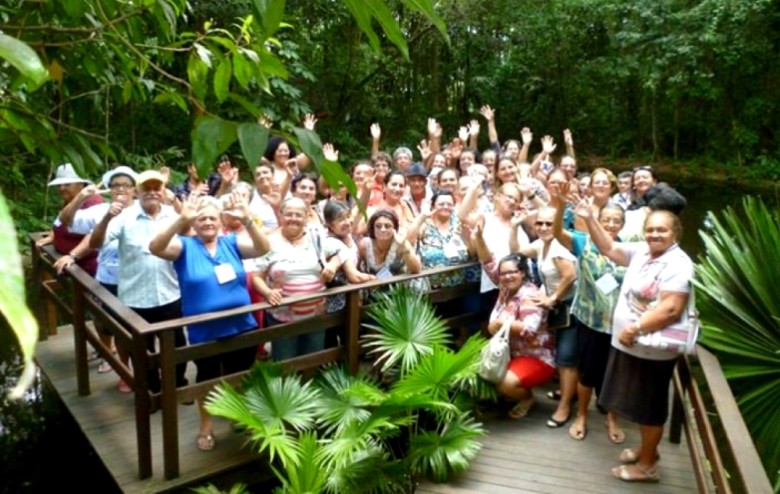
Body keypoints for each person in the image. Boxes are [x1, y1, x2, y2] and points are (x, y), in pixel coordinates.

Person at [578, 205, 693, 483]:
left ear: (675, 233)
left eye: (661, 230)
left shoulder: (678, 263)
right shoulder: (643, 251)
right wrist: (590, 219)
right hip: (633, 345)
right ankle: (647, 449)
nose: (654, 234)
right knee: (641, 405)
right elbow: (610, 250)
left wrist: (635, 328)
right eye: (650, 229)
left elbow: (671, 309)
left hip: (651, 350)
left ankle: (647, 466)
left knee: (649, 408)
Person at [149, 192, 270, 451]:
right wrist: (180, 218)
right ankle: (206, 424)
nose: (207, 222)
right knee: (207, 378)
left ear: (220, 221)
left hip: (241, 324)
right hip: (204, 329)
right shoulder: (184, 246)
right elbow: (155, 247)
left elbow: (263, 248)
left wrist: (248, 219)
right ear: (194, 223)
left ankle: (239, 414)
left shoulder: (232, 243)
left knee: (240, 374)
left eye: (212, 218)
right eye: (201, 218)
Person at [89, 169, 189, 395]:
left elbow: (192, 240)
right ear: (137, 191)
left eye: (157, 188)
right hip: (135, 299)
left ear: (164, 191)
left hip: (169, 294)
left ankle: (177, 385)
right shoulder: (123, 218)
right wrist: (106, 218)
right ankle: (152, 391)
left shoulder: (174, 217)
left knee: (177, 346)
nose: (152, 192)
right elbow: (96, 243)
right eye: (147, 188)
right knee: (142, 352)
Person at [552, 193, 627, 444]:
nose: (611, 224)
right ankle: (582, 414)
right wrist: (561, 205)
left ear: (623, 224)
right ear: (598, 219)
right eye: (606, 219)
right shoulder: (583, 242)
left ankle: (612, 418)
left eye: (617, 220)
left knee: (616, 374)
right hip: (591, 321)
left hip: (619, 325)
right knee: (587, 372)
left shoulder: (630, 250)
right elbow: (557, 233)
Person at [57, 166, 139, 375]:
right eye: (115, 185)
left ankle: (141, 371)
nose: (121, 189)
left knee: (137, 328)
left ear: (135, 190)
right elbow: (66, 222)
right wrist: (80, 198)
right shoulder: (100, 210)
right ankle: (119, 365)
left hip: (138, 280)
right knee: (107, 324)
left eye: (126, 185)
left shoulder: (144, 208)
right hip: (108, 278)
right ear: (110, 190)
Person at [511, 206, 578, 429]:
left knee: (567, 358)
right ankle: (568, 392)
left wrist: (552, 298)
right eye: (539, 223)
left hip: (570, 308)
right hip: (558, 307)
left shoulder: (557, 248)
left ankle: (565, 406)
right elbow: (518, 252)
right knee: (563, 353)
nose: (543, 227)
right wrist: (514, 226)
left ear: (557, 225)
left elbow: (570, 275)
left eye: (549, 223)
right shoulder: (541, 244)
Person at [251, 198, 328, 361]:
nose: (293, 218)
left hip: (316, 314)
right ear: (280, 215)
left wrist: (332, 267)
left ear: (307, 217)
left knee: (313, 359)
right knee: (286, 362)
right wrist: (268, 292)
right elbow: (257, 276)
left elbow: (339, 253)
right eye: (289, 214)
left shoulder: (317, 236)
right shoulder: (269, 242)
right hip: (282, 317)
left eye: (298, 215)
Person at [482, 253, 554, 419]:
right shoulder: (504, 290)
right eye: (503, 273)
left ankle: (527, 398)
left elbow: (529, 329)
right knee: (484, 371)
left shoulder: (530, 295)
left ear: (522, 272)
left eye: (512, 272)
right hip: (509, 352)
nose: (508, 276)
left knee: (505, 384)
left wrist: (501, 323)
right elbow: (488, 263)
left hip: (536, 356)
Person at [39, 163, 103, 276]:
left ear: (81, 184)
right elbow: (61, 221)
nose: (62, 188)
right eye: (60, 185)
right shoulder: (72, 199)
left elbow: (92, 236)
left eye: (67, 184)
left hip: (85, 265)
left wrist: (72, 255)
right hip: (66, 258)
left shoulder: (93, 201)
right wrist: (52, 236)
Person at [359, 210, 422, 285]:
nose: (382, 230)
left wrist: (404, 245)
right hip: (374, 290)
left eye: (387, 226)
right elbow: (357, 269)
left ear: (395, 229)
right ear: (373, 228)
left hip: (401, 290)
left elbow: (416, 269)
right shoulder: (364, 244)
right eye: (378, 226)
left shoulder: (401, 242)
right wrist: (368, 278)